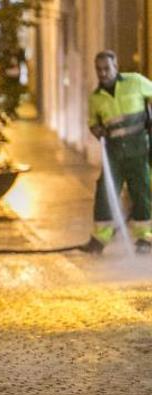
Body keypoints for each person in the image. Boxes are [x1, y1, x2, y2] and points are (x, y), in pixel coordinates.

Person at [84, 50, 152, 254]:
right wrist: (97, 130)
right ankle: (99, 239)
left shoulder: (135, 82)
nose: (103, 73)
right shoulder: (95, 98)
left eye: (106, 68)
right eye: (99, 69)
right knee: (105, 191)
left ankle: (144, 238)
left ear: (116, 67)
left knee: (140, 191)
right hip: (114, 152)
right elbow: (93, 123)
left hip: (138, 148)